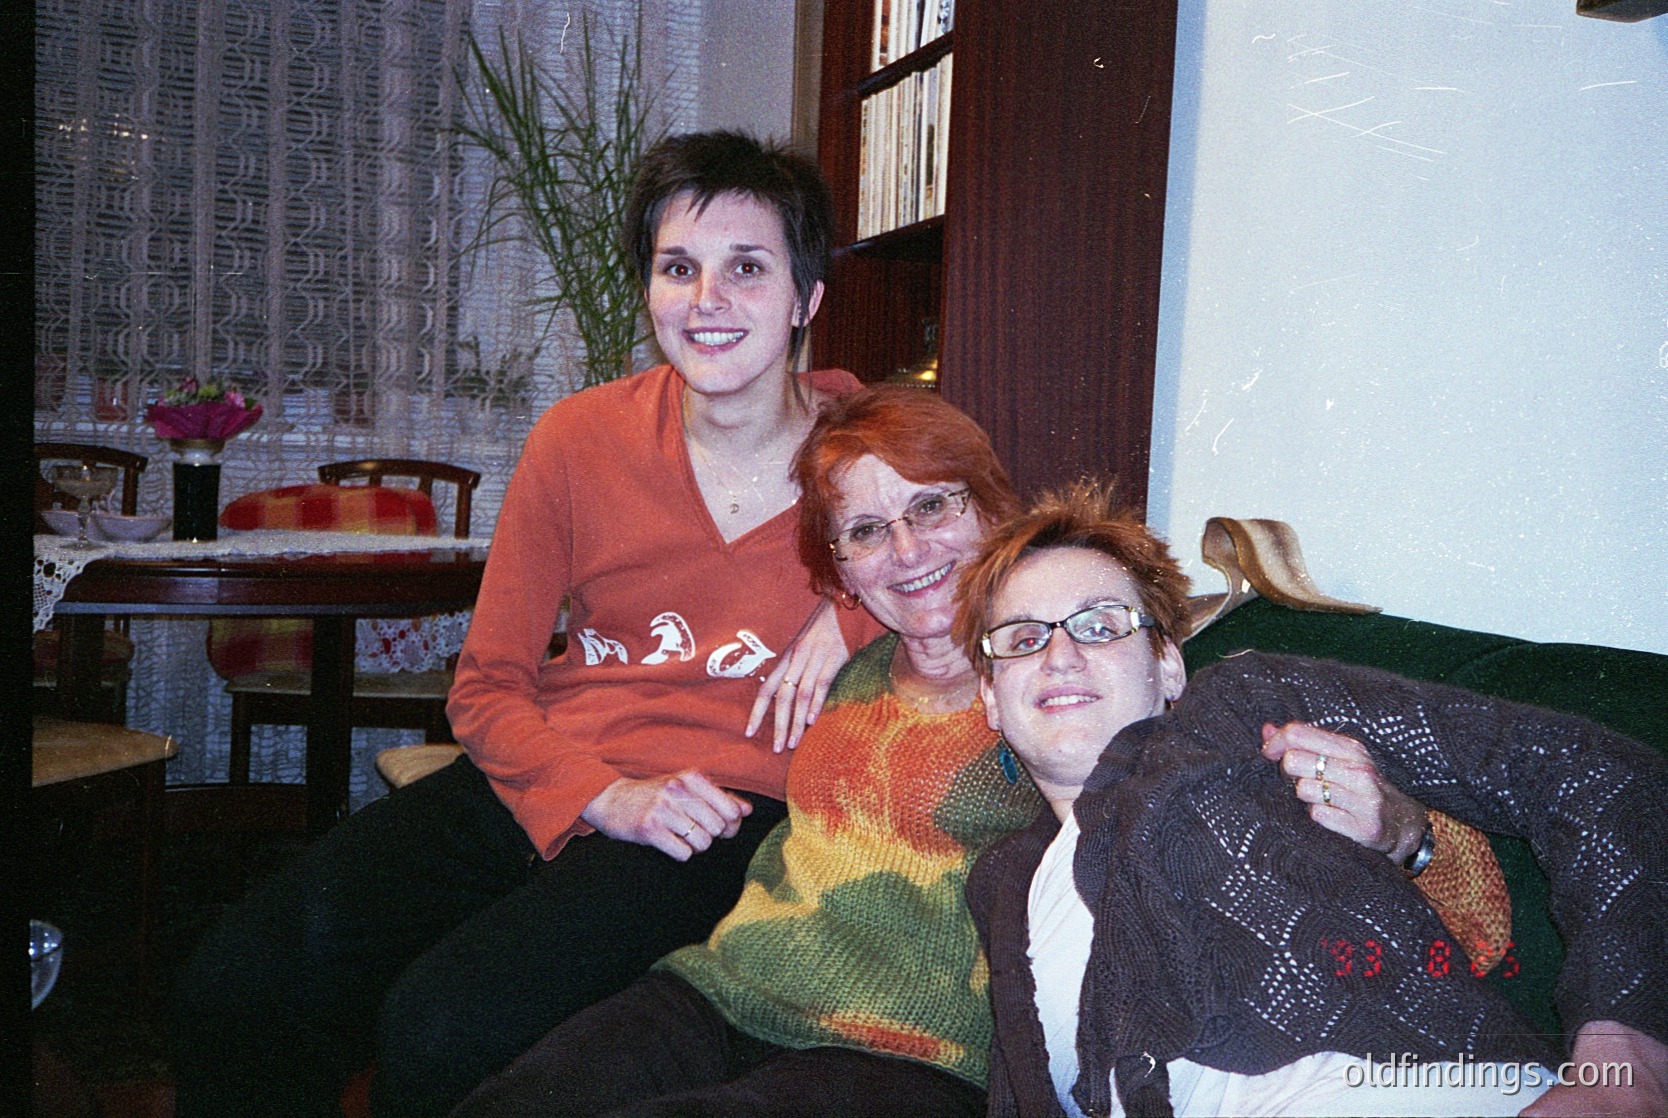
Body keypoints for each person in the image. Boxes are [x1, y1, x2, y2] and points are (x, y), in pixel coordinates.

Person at [451, 388, 1506, 1118]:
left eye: (933, 506)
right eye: (864, 532)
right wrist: (844, 625)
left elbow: (1384, 879)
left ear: (989, 507)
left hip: (910, 1060)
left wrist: (1406, 834)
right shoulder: (848, 673)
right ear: (839, 569)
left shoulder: (1061, 692)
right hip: (718, 991)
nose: (905, 551)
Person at [169, 130, 883, 1118]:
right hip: (555, 769)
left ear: (806, 301)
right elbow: (487, 682)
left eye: (747, 268)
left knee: (446, 1026)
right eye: (678, 267)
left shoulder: (875, 449)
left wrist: (849, 614)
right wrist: (598, 794)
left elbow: (986, 554)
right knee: (241, 975)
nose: (706, 297)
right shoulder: (579, 438)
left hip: (721, 805)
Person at [958, 482, 1668, 1118]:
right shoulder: (1004, 882)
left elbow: (1591, 770)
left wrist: (1624, 1046)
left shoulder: (1244, 708)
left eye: (1100, 624)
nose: (1059, 655)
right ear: (991, 696)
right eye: (1021, 639)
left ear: (1168, 663)